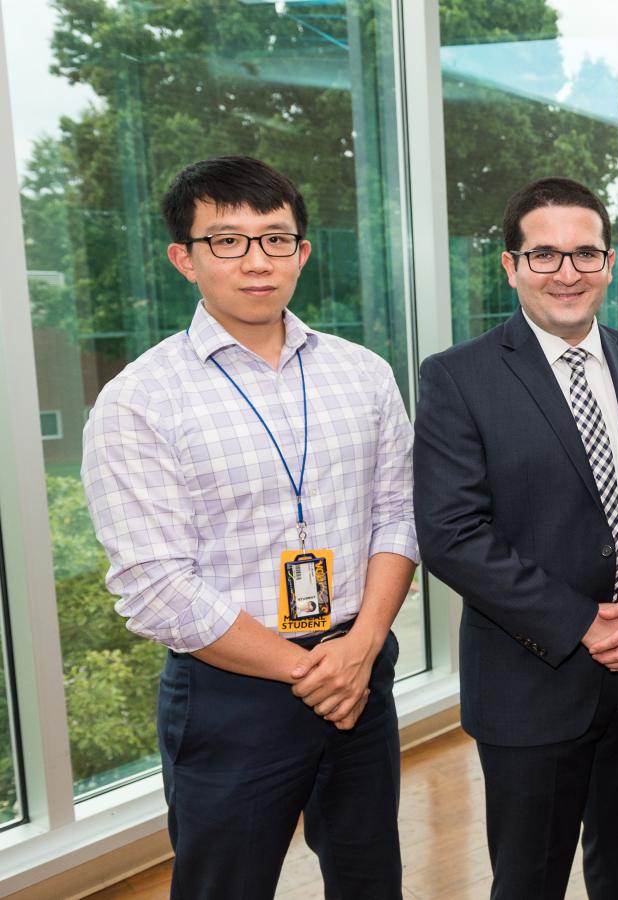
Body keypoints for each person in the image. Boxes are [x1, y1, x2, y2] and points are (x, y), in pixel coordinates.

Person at [81, 156, 417, 898]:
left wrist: (357, 651)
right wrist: (310, 671)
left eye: (275, 238)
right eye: (228, 241)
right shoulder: (139, 400)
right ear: (185, 259)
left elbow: (397, 517)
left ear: (302, 251)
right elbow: (154, 585)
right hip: (232, 691)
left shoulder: (364, 374)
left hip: (360, 666)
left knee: (371, 880)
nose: (256, 261)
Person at [414, 176, 618, 899]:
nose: (567, 273)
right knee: (528, 882)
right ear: (510, 265)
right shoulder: (457, 378)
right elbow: (450, 533)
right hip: (530, 687)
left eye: (584, 254)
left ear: (609, 261)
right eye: (544, 255)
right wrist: (580, 624)